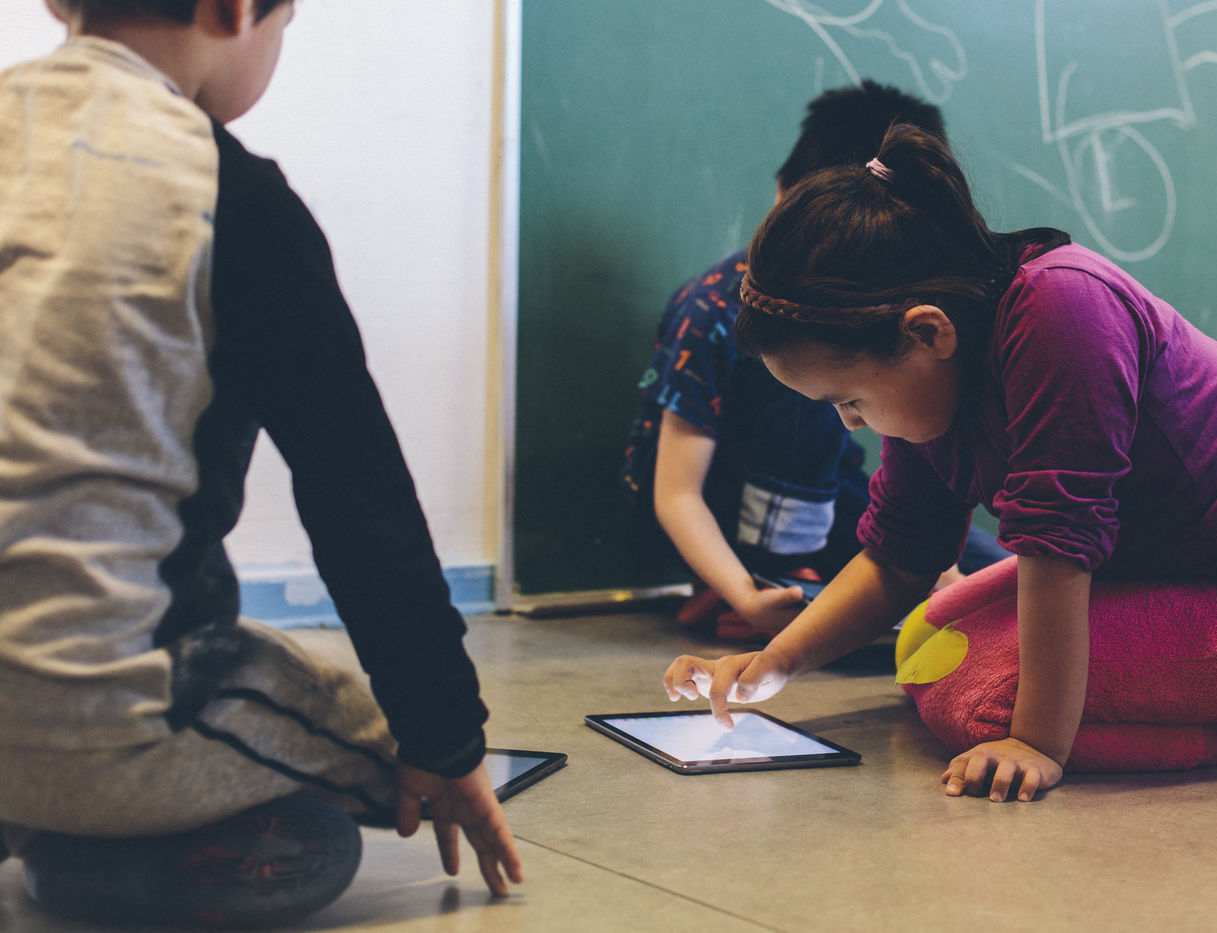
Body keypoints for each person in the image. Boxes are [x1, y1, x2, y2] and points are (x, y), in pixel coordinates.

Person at [0, 1, 520, 925]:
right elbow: (358, 496)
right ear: (237, 10)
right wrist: (447, 741)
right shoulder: (228, 196)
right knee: (388, 779)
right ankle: (89, 856)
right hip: (103, 716)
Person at [663, 122, 1217, 802]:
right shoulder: (926, 377)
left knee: (980, 708)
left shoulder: (1064, 307)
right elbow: (899, 559)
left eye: (849, 400)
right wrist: (773, 663)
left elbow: (1058, 546)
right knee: (924, 640)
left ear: (927, 333)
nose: (850, 422)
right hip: (1155, 569)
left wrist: (1036, 743)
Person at [623, 80, 1007, 641]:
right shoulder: (712, 306)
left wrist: (942, 576)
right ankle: (778, 567)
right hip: (721, 517)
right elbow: (676, 494)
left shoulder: (907, 303)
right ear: (787, 196)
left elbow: (916, 525)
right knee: (808, 367)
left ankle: (802, 570)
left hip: (826, 494)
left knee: (998, 578)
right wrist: (747, 596)